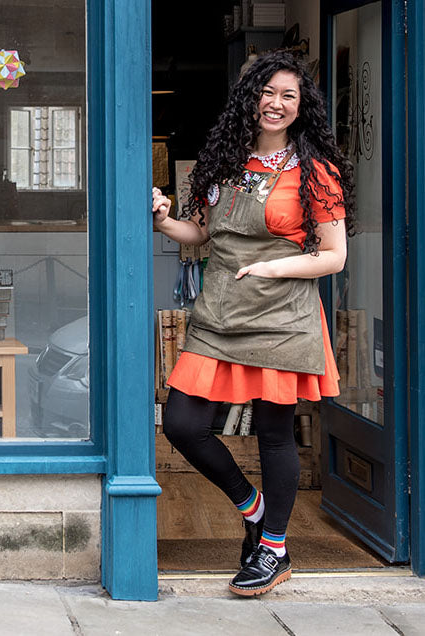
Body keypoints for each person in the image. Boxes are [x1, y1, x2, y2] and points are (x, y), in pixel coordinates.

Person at [151, 48, 354, 597]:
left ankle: (274, 549)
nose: (277, 104)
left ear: (301, 105)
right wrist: (166, 221)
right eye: (269, 93)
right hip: (220, 312)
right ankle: (254, 508)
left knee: (273, 435)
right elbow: (202, 237)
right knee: (184, 425)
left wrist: (273, 265)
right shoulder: (224, 161)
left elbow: (333, 255)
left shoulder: (316, 171)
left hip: (282, 317)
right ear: (251, 98)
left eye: (289, 96)